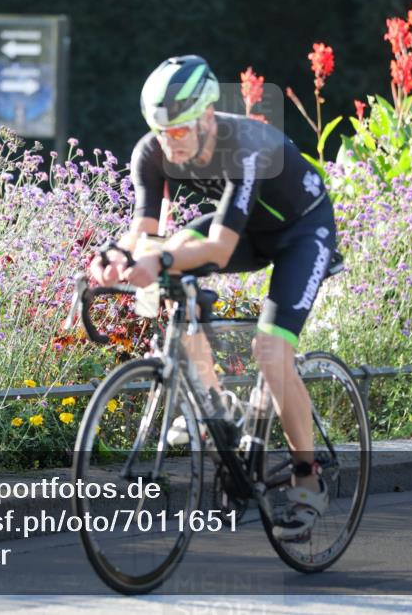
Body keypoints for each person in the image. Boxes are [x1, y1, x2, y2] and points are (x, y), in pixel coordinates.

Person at [88, 55, 337, 541]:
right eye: (161, 131)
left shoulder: (245, 146)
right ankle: (215, 403)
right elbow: (144, 229)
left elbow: (221, 248)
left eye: (180, 130)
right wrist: (113, 258)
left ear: (206, 117)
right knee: (168, 249)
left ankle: (309, 480)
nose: (169, 142)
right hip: (248, 231)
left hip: (302, 232)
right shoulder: (152, 151)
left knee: (270, 352)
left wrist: (156, 262)